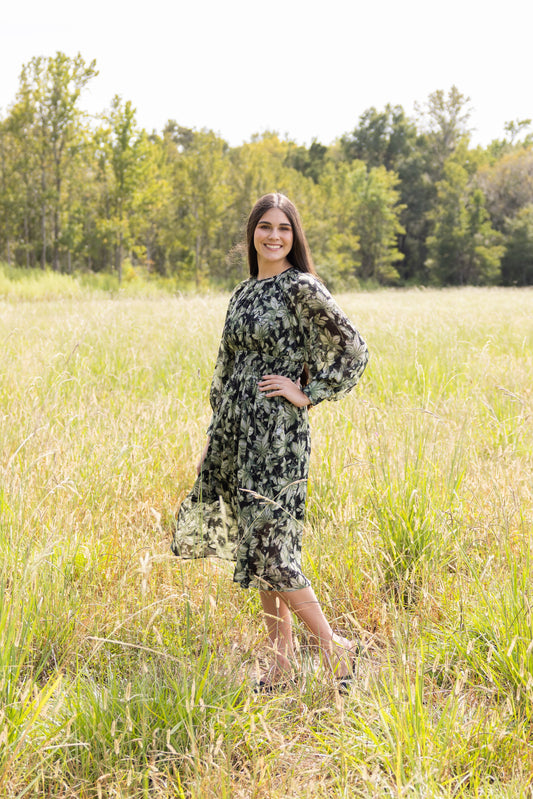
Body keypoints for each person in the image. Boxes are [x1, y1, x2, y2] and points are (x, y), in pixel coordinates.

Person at [172, 192, 369, 691]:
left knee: (274, 548)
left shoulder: (301, 287)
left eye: (283, 228)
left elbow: (354, 348)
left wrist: (308, 393)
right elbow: (226, 367)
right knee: (256, 547)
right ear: (253, 233)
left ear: (294, 235)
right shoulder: (242, 292)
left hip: (278, 437)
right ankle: (280, 665)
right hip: (237, 435)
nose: (274, 236)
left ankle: (335, 650)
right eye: (265, 227)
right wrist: (217, 433)